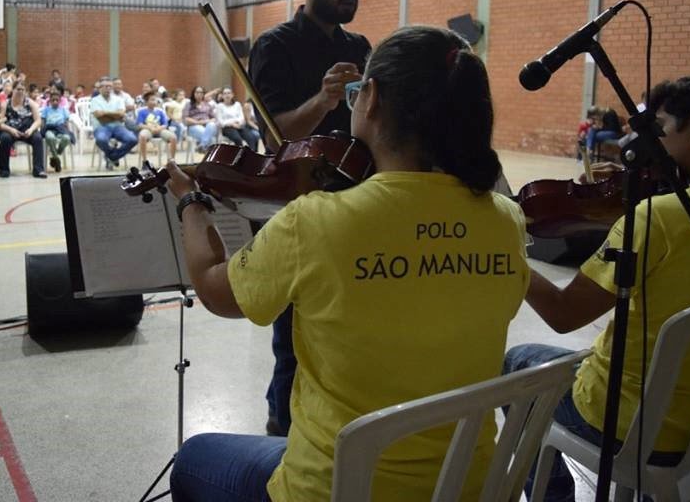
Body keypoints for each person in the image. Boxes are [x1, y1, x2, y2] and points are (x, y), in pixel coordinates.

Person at [166, 25, 527, 501]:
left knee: (194, 457)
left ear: (370, 98)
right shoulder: (506, 219)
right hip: (465, 487)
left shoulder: (316, 219)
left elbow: (216, 291)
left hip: (335, 487)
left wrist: (190, 202)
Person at [504, 72, 690, 501]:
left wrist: (509, 257)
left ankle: (554, 495)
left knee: (518, 361)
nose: (652, 142)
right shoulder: (668, 212)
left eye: (660, 127)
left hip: (631, 426)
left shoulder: (659, 218)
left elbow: (564, 314)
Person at [247, 0, 372, 437]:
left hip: (355, 204)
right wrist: (324, 100)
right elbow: (274, 135)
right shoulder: (274, 46)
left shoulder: (360, 46)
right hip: (297, 208)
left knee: (346, 333)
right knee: (294, 341)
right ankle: (282, 432)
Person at [0, 81, 46, 178]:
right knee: (5, 139)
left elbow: (38, 121)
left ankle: (38, 170)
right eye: (18, 89)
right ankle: (4, 169)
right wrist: (11, 130)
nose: (20, 92)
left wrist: (31, 130)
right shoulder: (5, 104)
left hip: (26, 129)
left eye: (22, 90)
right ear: (13, 90)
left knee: (38, 138)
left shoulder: (31, 103)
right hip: (9, 129)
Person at [91, 78, 137, 170]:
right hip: (101, 127)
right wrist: (115, 115)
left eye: (110, 87)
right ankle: (113, 156)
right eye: (106, 86)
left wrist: (105, 113)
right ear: (100, 88)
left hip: (118, 127)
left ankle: (112, 156)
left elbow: (121, 114)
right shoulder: (95, 100)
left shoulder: (118, 99)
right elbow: (100, 117)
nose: (108, 89)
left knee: (132, 139)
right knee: (101, 139)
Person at [135, 92, 177, 163]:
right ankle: (145, 161)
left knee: (173, 137)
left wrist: (159, 128)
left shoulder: (160, 111)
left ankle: (172, 160)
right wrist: (150, 128)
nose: (154, 101)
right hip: (147, 129)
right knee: (142, 136)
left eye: (155, 100)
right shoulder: (141, 111)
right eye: (152, 100)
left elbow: (165, 124)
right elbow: (140, 124)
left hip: (160, 129)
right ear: (146, 102)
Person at [41, 91, 72, 172]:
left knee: (66, 138)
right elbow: (43, 122)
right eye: (53, 100)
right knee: (50, 138)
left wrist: (68, 131)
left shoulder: (63, 110)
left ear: (60, 101)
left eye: (57, 100)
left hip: (61, 129)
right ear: (50, 101)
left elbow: (66, 123)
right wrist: (43, 131)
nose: (55, 102)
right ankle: (57, 159)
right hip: (50, 129)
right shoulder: (46, 110)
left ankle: (54, 156)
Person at [184, 85, 218, 150]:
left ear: (203, 94)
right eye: (197, 92)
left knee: (211, 125)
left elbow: (214, 118)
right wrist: (198, 122)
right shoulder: (189, 104)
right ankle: (204, 147)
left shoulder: (207, 105)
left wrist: (206, 121)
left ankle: (202, 146)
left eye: (201, 92)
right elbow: (185, 119)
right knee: (210, 138)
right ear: (193, 94)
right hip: (194, 126)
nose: (199, 94)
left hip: (208, 126)